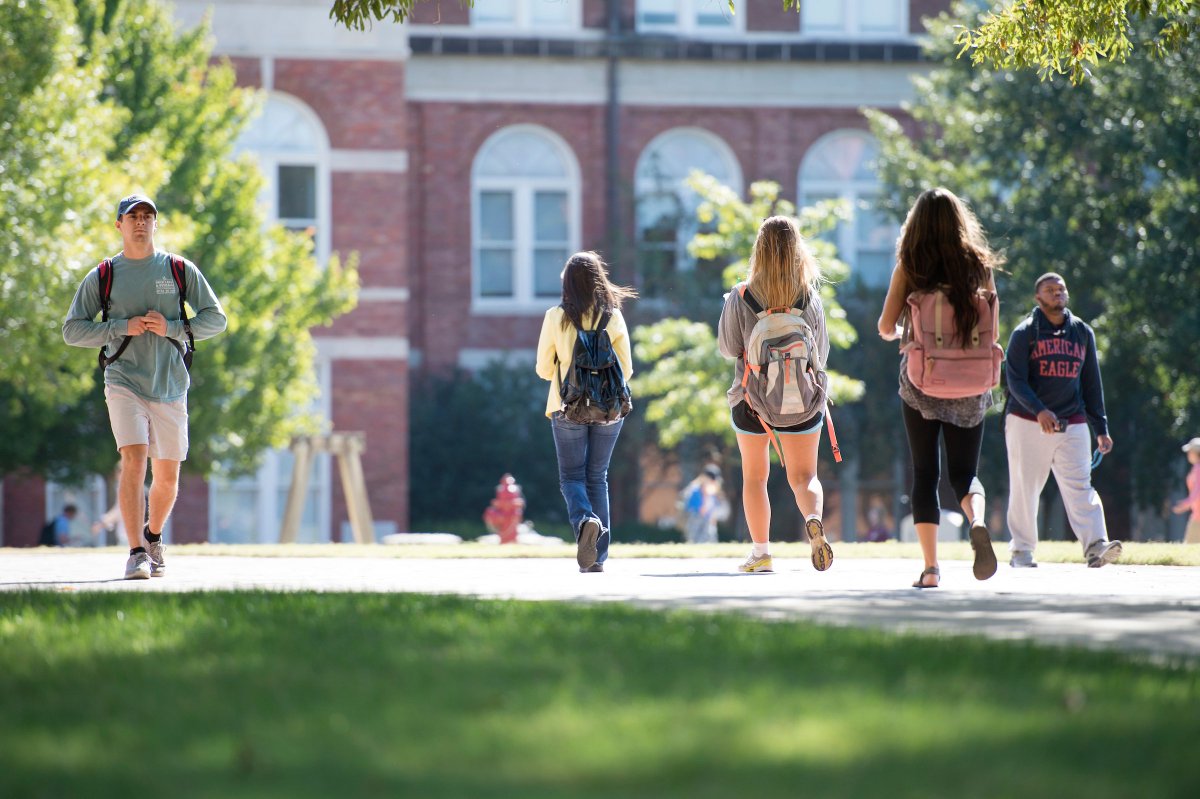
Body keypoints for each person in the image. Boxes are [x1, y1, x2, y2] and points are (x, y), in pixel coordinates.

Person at [63, 194, 227, 579]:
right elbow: (72, 330)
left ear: (156, 223)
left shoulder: (178, 269)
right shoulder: (103, 275)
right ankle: (136, 551)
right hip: (123, 380)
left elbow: (215, 320)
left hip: (170, 382)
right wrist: (120, 326)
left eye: (147, 216)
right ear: (118, 225)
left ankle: (153, 536)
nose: (140, 222)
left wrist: (172, 327)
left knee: (167, 476)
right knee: (133, 459)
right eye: (132, 216)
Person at [877, 188, 1000, 588]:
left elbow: (884, 326)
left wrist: (902, 331)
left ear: (917, 224)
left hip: (923, 382)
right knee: (965, 474)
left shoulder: (911, 265)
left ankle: (931, 569)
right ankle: (978, 521)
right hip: (972, 382)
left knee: (925, 473)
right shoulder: (978, 265)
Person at [717, 215, 833, 574]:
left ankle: (761, 553)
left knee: (755, 476)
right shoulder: (809, 297)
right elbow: (821, 355)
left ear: (759, 251)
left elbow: (727, 348)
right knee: (804, 477)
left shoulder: (742, 296)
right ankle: (812, 519)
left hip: (751, 400)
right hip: (802, 400)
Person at [1004, 272, 1121, 568]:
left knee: (1081, 485)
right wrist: (1038, 410)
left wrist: (1101, 428)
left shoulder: (1082, 332)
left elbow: (1092, 384)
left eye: (1061, 289)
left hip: (1073, 420)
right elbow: (1014, 381)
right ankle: (1022, 551)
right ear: (1038, 298)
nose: (1057, 293)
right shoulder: (1024, 333)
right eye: (1049, 289)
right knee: (1025, 488)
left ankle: (1096, 546)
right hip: (1027, 421)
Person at [535, 251, 635, 573]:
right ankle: (599, 559)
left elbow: (542, 369)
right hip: (609, 409)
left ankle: (585, 521)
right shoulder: (613, 316)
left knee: (572, 477)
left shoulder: (555, 317)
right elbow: (627, 369)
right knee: (598, 477)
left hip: (567, 407)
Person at [680, 464, 729, 544]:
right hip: (695, 518)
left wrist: (714, 515)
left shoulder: (714, 490)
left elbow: (717, 507)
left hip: (708, 519)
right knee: (693, 540)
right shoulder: (695, 489)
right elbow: (697, 508)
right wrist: (705, 494)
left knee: (710, 539)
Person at [1172, 438, 1200, 544]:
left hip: (1198, 516)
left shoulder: (1198, 468)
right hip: (1197, 513)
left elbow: (1198, 491)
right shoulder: (1196, 468)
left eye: (1190, 451)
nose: (1188, 454)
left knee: (1190, 546)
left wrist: (1186, 503)